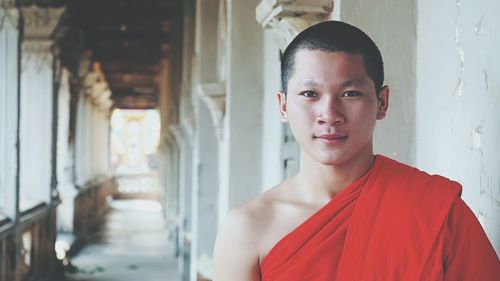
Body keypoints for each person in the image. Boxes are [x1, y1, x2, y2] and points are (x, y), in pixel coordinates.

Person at [212, 20, 500, 280]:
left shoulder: (437, 211)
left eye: (350, 93)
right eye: (310, 94)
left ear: (382, 102)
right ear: (283, 105)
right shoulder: (247, 228)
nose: (329, 113)